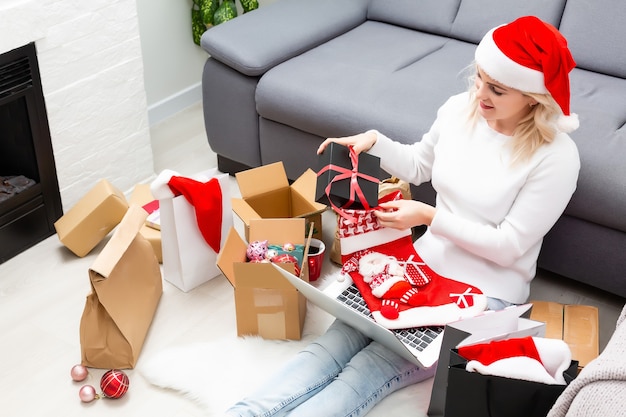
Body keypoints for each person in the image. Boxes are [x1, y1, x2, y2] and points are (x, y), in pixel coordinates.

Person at [224, 15, 580, 417]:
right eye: (479, 78)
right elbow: (417, 165)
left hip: (483, 292)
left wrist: (428, 217)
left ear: (534, 97)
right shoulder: (459, 110)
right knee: (329, 348)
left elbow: (509, 247)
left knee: (365, 372)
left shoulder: (556, 158)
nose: (480, 93)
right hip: (419, 267)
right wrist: (374, 141)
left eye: (497, 89)